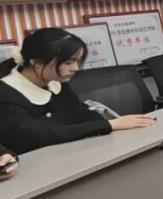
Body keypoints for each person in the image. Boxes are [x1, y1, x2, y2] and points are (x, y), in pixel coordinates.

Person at [0, 28, 154, 155]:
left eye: (77, 61)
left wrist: (116, 126)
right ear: (37, 63)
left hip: (69, 155)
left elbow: (80, 112)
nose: (75, 68)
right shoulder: (6, 94)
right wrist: (110, 125)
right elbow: (43, 136)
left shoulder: (53, 80)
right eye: (68, 62)